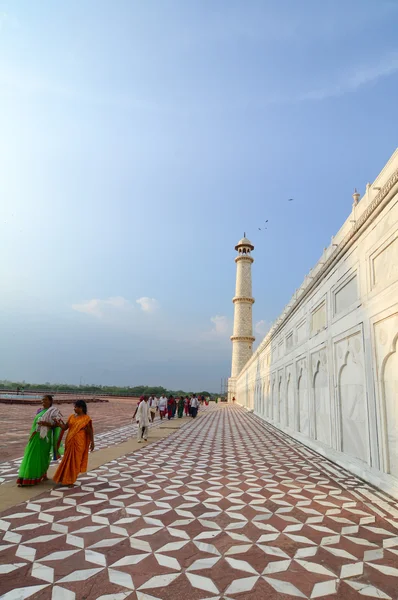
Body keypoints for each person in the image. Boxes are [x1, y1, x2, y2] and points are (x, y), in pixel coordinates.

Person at [17, 395, 62, 487]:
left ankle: (42, 474)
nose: (43, 402)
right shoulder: (39, 411)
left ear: (50, 401)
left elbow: (57, 425)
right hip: (36, 435)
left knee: (43, 457)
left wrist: (47, 423)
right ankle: (28, 477)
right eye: (42, 400)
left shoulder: (53, 412)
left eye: (45, 400)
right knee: (31, 455)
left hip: (45, 438)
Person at [53, 400, 94, 487]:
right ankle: (63, 478)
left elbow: (90, 431)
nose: (74, 409)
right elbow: (65, 427)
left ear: (81, 408)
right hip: (69, 440)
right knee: (67, 460)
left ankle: (70, 480)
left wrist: (92, 442)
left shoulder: (86, 418)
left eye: (76, 407)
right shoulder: (71, 416)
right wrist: (58, 423)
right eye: (74, 407)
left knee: (75, 461)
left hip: (79, 442)